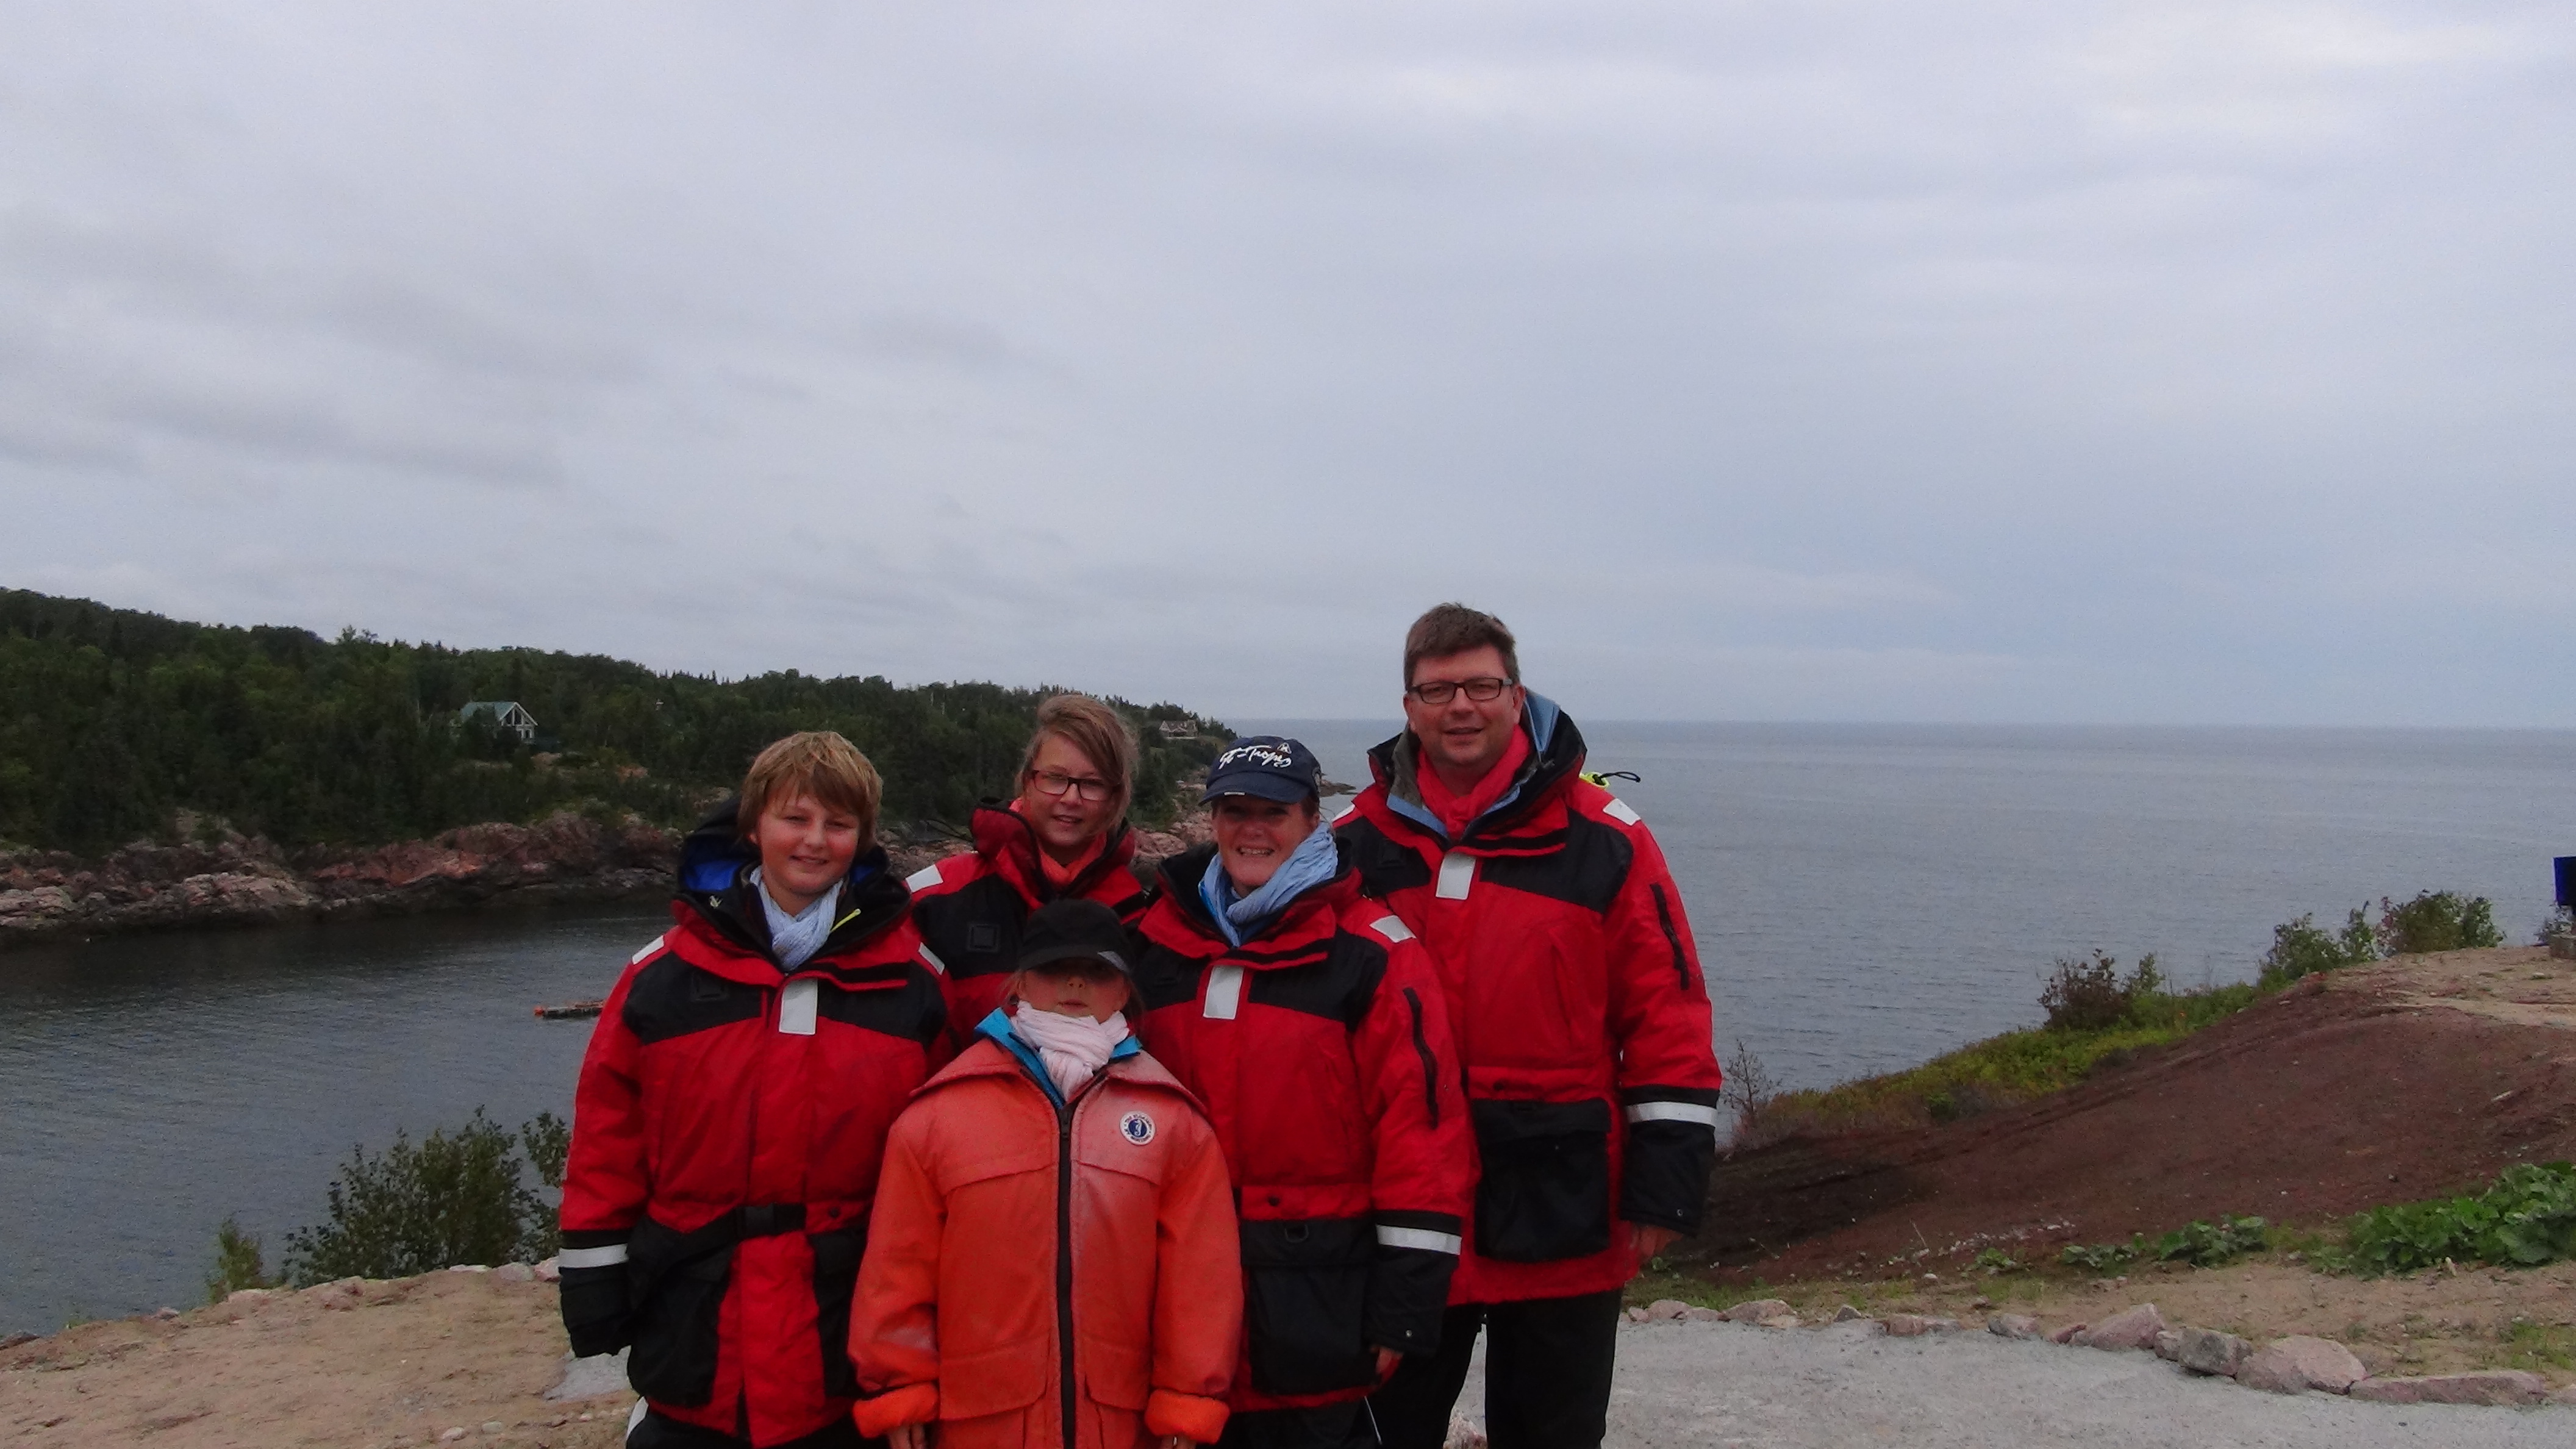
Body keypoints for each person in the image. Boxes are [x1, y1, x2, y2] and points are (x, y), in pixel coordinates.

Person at [1336, 606, 1723, 1449]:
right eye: (1438, 690)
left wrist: (1665, 1185)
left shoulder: (1606, 841)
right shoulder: (1351, 847)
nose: (1460, 706)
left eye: (1481, 686)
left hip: (1565, 1204)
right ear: (1408, 708)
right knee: (1380, 1434)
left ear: (1517, 695)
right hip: (1406, 1210)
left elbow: (1666, 1010)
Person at [557, 731, 949, 1449]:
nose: (815, 841)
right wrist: (594, 1285)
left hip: (844, 1330)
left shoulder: (914, 985)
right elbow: (608, 1141)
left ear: (863, 839)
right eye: (795, 818)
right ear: (754, 826)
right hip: (694, 1325)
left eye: (838, 823)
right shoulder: (662, 977)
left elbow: (940, 1161)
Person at [1131, 737, 1472, 1449]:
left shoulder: (1374, 953)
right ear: (1213, 820)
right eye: (1235, 811)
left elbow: (1422, 1135)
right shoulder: (1155, 942)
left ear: (1313, 820)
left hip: (1320, 1311)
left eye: (1274, 812)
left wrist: (1406, 1305)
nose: (1252, 829)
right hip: (1173, 1307)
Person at [850, 898, 1242, 1449]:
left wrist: (1189, 1399)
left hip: (1117, 1423)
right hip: (979, 1422)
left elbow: (1200, 1277)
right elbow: (897, 1264)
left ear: (1124, 992)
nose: (1075, 983)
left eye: (1097, 972)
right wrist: (899, 1384)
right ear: (1019, 984)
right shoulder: (936, 1117)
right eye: (1055, 968)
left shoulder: (1174, 1121)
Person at [908, 693, 1153, 1045]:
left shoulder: (1138, 917)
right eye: (1055, 778)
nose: (1071, 798)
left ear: (1115, 798)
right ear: (1027, 781)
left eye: (1092, 784)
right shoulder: (938, 897)